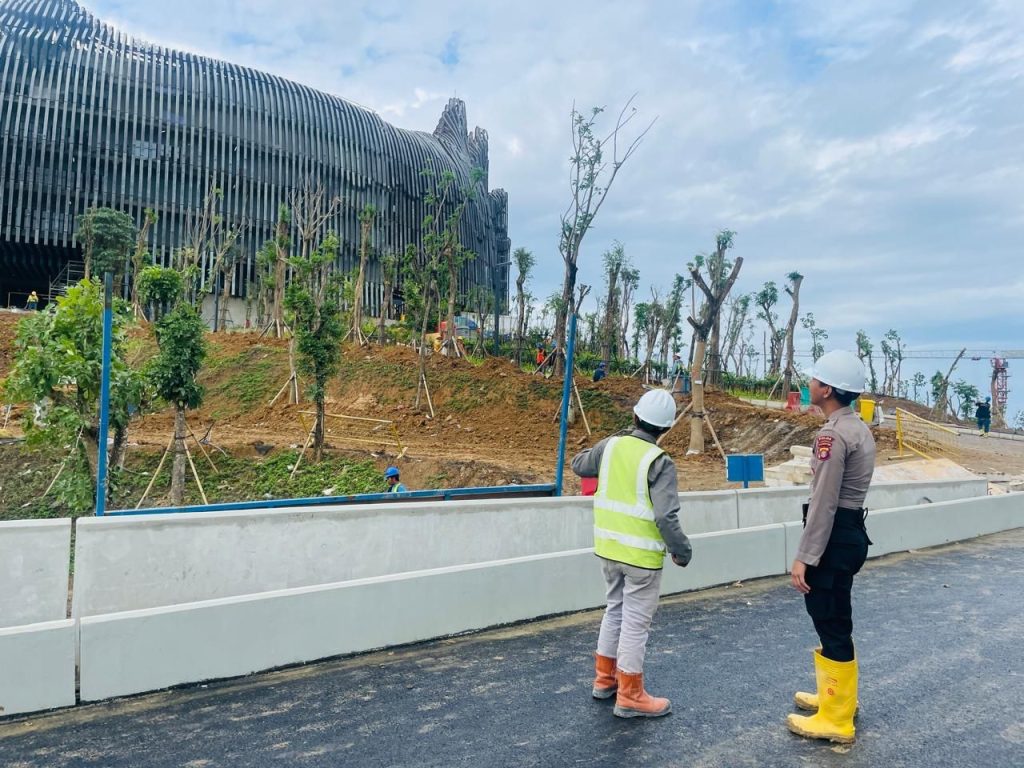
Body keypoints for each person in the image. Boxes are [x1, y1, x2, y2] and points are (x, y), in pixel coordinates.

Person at [571, 389, 692, 719]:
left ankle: (604, 679)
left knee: (614, 611)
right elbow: (666, 516)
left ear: (635, 417)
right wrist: (682, 551)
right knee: (636, 623)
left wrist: (604, 446)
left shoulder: (611, 446)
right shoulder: (660, 461)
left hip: (608, 550)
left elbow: (579, 464)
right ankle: (630, 695)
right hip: (640, 559)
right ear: (664, 429)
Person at [787, 350, 875, 745]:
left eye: (815, 380)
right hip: (850, 532)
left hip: (833, 535)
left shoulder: (832, 435)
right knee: (837, 617)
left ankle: (836, 721)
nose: (810, 384)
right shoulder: (857, 427)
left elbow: (824, 501)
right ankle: (836, 699)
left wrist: (805, 557)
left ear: (827, 390)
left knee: (829, 619)